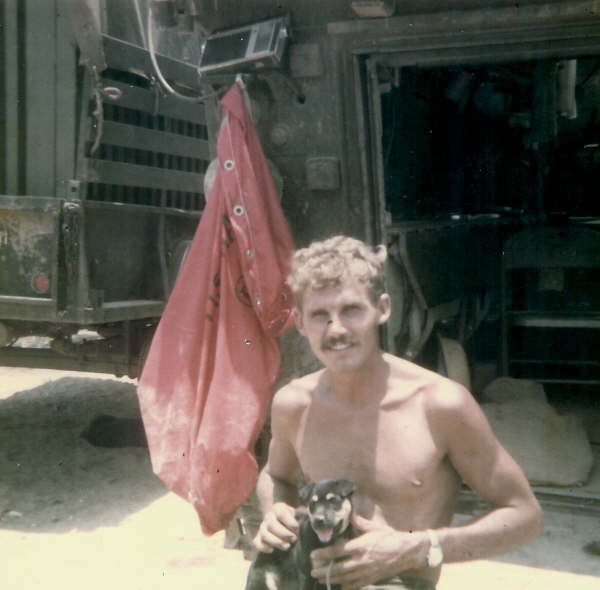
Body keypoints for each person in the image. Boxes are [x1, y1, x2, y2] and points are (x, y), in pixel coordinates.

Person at [252, 235, 543, 590]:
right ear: (300, 323)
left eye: (351, 310)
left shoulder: (439, 404)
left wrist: (416, 548)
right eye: (319, 315)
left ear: (383, 309)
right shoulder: (294, 403)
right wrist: (275, 511)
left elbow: (525, 516)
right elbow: (276, 476)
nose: (336, 330)